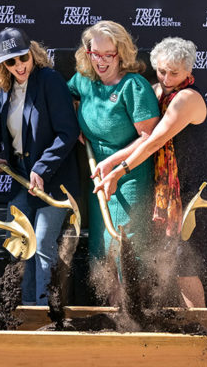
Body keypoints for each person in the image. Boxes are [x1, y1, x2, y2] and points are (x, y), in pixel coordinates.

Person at [93, 37, 207, 308]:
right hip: (168, 196)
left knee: (185, 265)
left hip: (196, 194)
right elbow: (143, 136)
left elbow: (155, 141)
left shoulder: (187, 98)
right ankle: (177, 328)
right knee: (167, 263)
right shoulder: (157, 92)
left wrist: (118, 171)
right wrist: (108, 160)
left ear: (189, 71)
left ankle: (199, 330)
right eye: (162, 71)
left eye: (174, 73)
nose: (166, 78)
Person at [0, 27, 80, 305]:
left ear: (33, 53)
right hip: (23, 182)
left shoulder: (49, 80)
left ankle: (46, 312)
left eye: (23, 57)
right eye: (11, 62)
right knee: (18, 244)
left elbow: (68, 132)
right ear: (2, 64)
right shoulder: (6, 86)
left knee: (42, 246)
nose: (19, 66)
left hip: (54, 183)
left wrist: (42, 167)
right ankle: (24, 309)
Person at [67, 20, 160, 258]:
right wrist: (71, 118)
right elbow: (64, 95)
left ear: (121, 53)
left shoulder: (134, 86)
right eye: (95, 53)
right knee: (100, 248)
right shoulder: (84, 80)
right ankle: (108, 297)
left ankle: (134, 297)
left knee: (126, 248)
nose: (101, 60)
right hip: (98, 177)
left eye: (108, 54)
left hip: (129, 177)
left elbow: (148, 138)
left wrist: (113, 165)